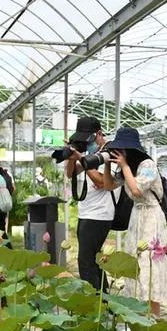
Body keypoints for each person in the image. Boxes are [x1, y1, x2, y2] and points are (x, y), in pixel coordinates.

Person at [102, 127, 167, 316]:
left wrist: (124, 166)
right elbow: (109, 185)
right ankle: (138, 314)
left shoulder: (148, 165)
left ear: (131, 150)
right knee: (134, 262)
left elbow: (136, 191)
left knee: (150, 264)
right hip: (136, 218)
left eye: (121, 150)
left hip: (152, 217)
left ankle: (154, 315)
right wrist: (108, 165)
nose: (118, 154)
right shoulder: (128, 168)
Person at [64, 116, 120, 290]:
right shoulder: (91, 154)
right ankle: (104, 302)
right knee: (94, 262)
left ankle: (96, 304)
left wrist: (82, 157)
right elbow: (69, 174)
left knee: (86, 264)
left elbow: (103, 182)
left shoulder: (111, 152)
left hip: (100, 214)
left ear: (99, 134)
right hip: (87, 212)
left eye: (87, 140)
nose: (86, 144)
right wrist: (72, 156)